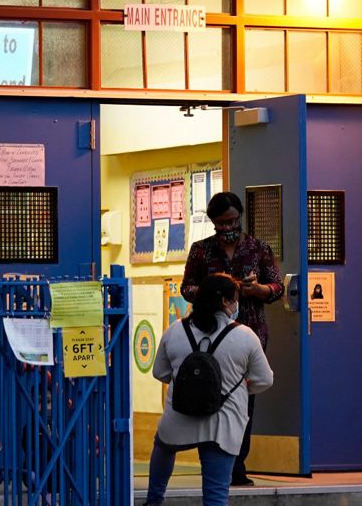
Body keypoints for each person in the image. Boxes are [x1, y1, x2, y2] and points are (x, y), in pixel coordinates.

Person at [181, 191, 283, 486]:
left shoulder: (258, 248)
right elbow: (186, 288)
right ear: (213, 223)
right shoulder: (201, 251)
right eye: (221, 223)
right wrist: (215, 291)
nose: (228, 227)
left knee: (243, 404)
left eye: (233, 221)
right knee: (209, 400)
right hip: (209, 338)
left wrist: (257, 290)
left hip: (249, 335)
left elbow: (276, 286)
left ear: (241, 217)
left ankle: (238, 466)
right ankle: (213, 465)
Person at [146, 273, 273, 506]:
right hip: (222, 424)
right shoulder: (245, 336)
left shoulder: (176, 330)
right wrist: (241, 386)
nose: (237, 304)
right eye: (235, 299)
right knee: (215, 497)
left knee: (163, 444)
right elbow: (264, 379)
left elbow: (160, 372)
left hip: (179, 418)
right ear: (225, 302)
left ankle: (154, 499)